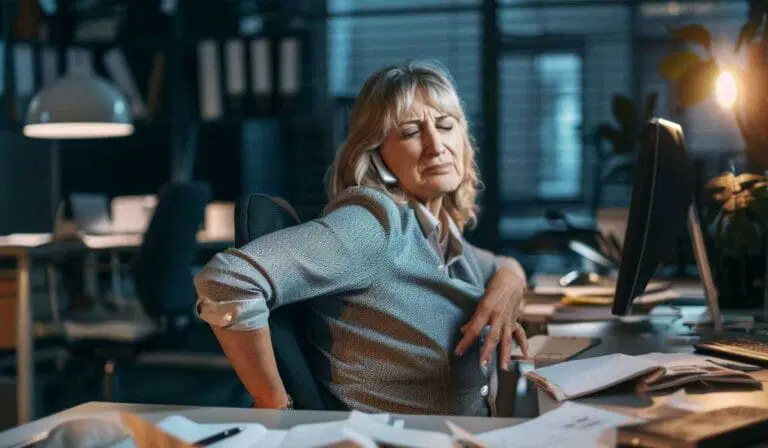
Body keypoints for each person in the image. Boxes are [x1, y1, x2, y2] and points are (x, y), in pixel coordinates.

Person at [194, 60, 529, 416]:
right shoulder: (373, 225)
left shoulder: (438, 231)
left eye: (446, 125)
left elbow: (501, 264)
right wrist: (273, 404)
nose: (436, 145)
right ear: (377, 154)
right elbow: (227, 281)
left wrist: (509, 283)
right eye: (411, 132)